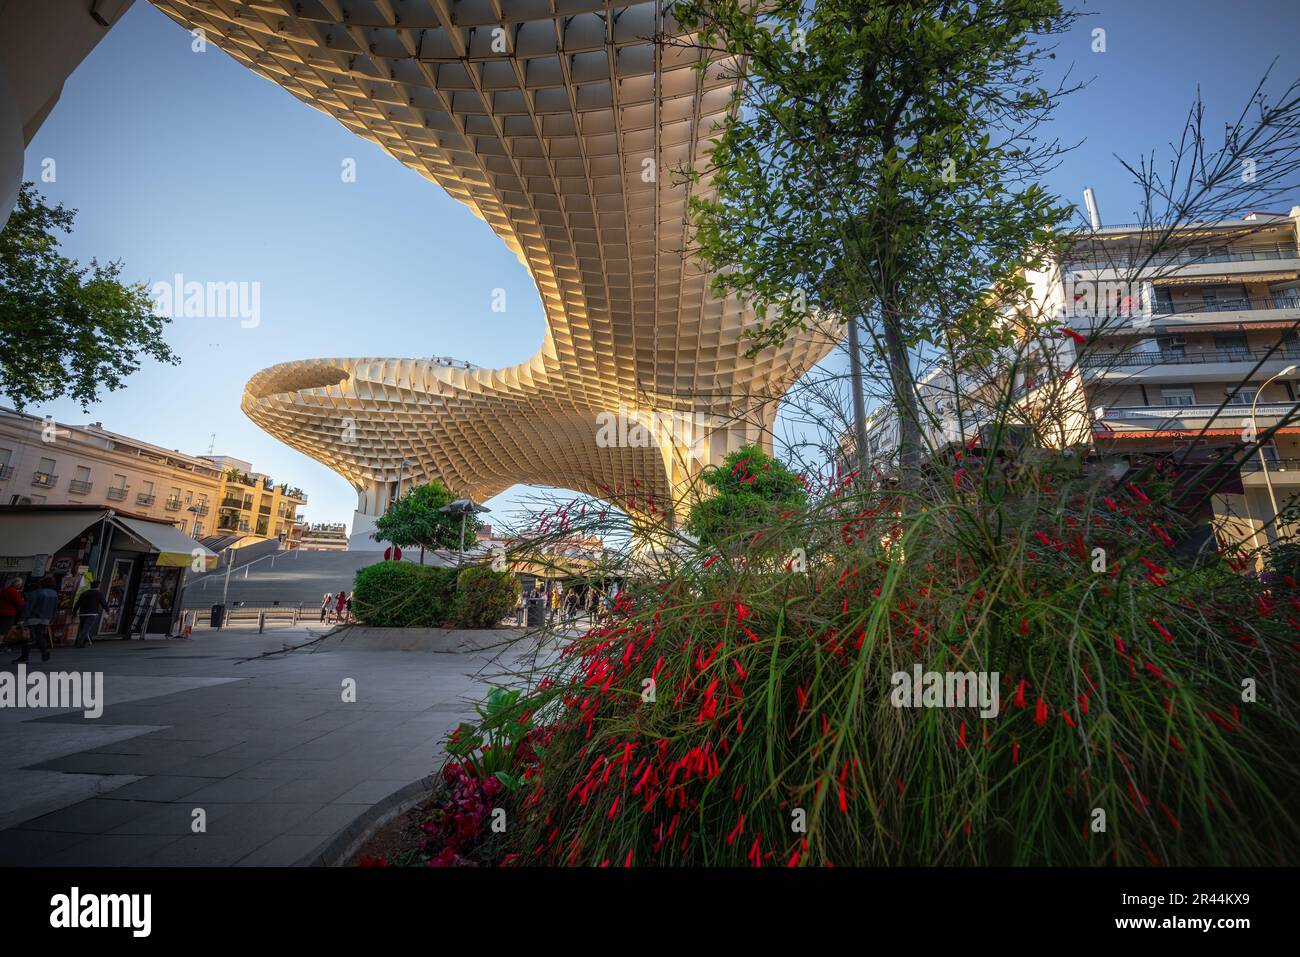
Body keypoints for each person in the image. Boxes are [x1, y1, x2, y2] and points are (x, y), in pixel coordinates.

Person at [14, 575, 57, 664]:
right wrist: (52, 618)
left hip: (33, 617)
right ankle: (44, 651)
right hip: (46, 618)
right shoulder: (54, 593)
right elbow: (54, 607)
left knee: (28, 637)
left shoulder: (37, 593)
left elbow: (29, 606)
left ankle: (25, 656)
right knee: (39, 635)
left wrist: (22, 619)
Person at [73, 580, 107, 648]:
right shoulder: (98, 593)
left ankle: (78, 642)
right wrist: (107, 610)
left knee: (81, 628)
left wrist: (74, 612)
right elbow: (103, 603)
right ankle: (80, 642)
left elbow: (78, 603)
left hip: (82, 613)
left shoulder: (84, 593)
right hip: (92, 613)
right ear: (98, 586)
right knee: (86, 628)